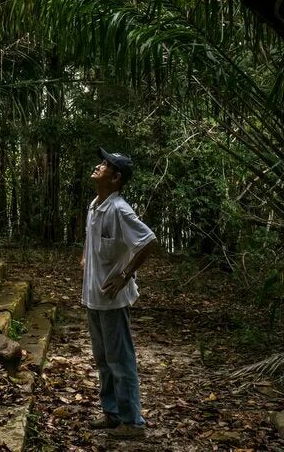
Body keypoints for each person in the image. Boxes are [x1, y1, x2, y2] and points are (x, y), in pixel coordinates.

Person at [80, 148, 158, 440]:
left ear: (115, 178)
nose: (99, 166)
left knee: (120, 361)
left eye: (105, 165)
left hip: (112, 300)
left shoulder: (120, 209)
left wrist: (125, 276)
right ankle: (112, 414)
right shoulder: (95, 205)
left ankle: (132, 422)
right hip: (93, 296)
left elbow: (148, 241)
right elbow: (92, 238)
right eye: (101, 162)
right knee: (103, 359)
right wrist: (85, 256)